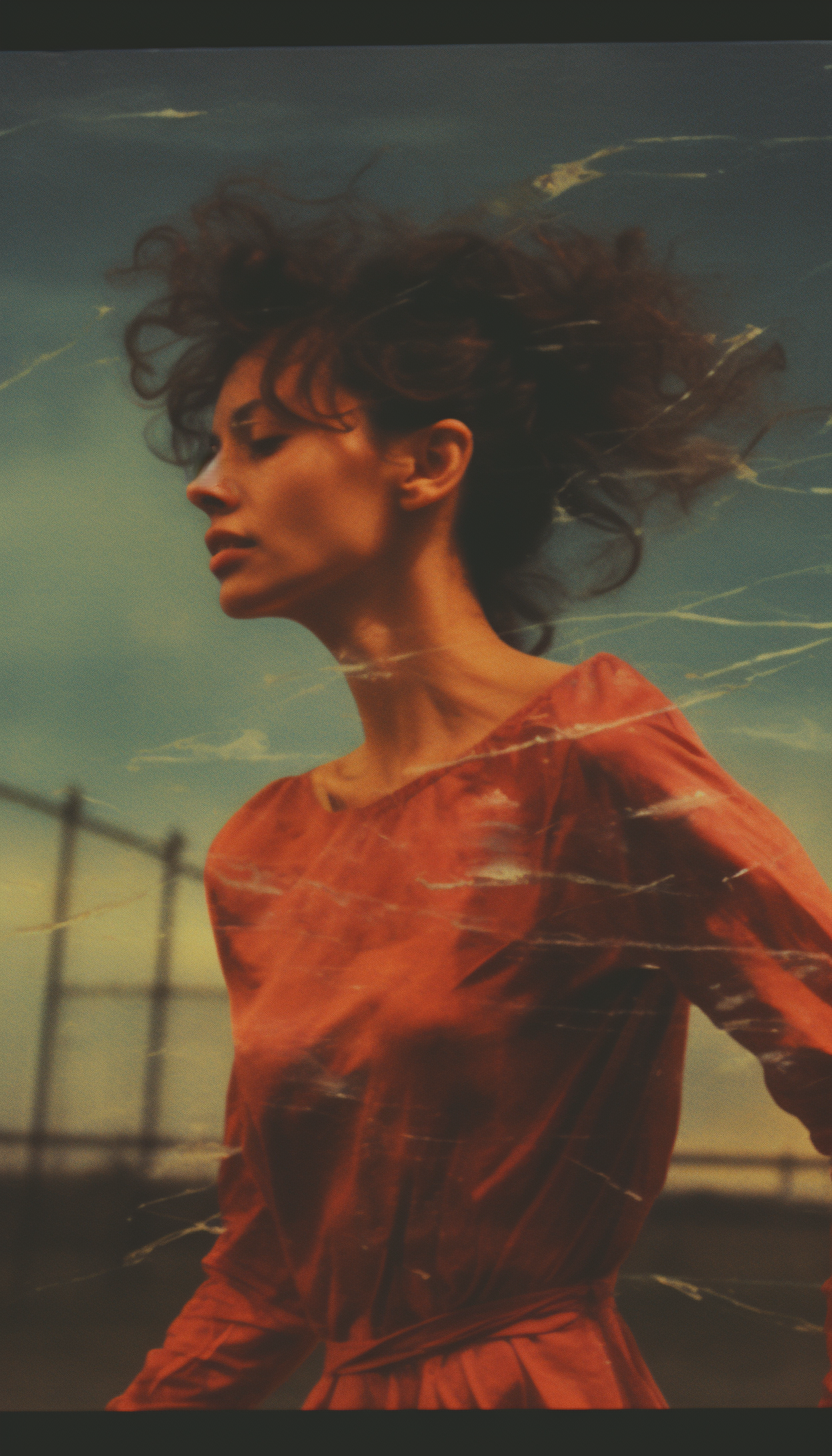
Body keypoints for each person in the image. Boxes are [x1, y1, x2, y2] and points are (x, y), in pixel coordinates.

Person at [105, 178, 832, 1409]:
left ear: (430, 461)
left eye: (263, 438)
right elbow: (273, 1257)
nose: (206, 485)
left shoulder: (588, 749)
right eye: (214, 446)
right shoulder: (261, 849)